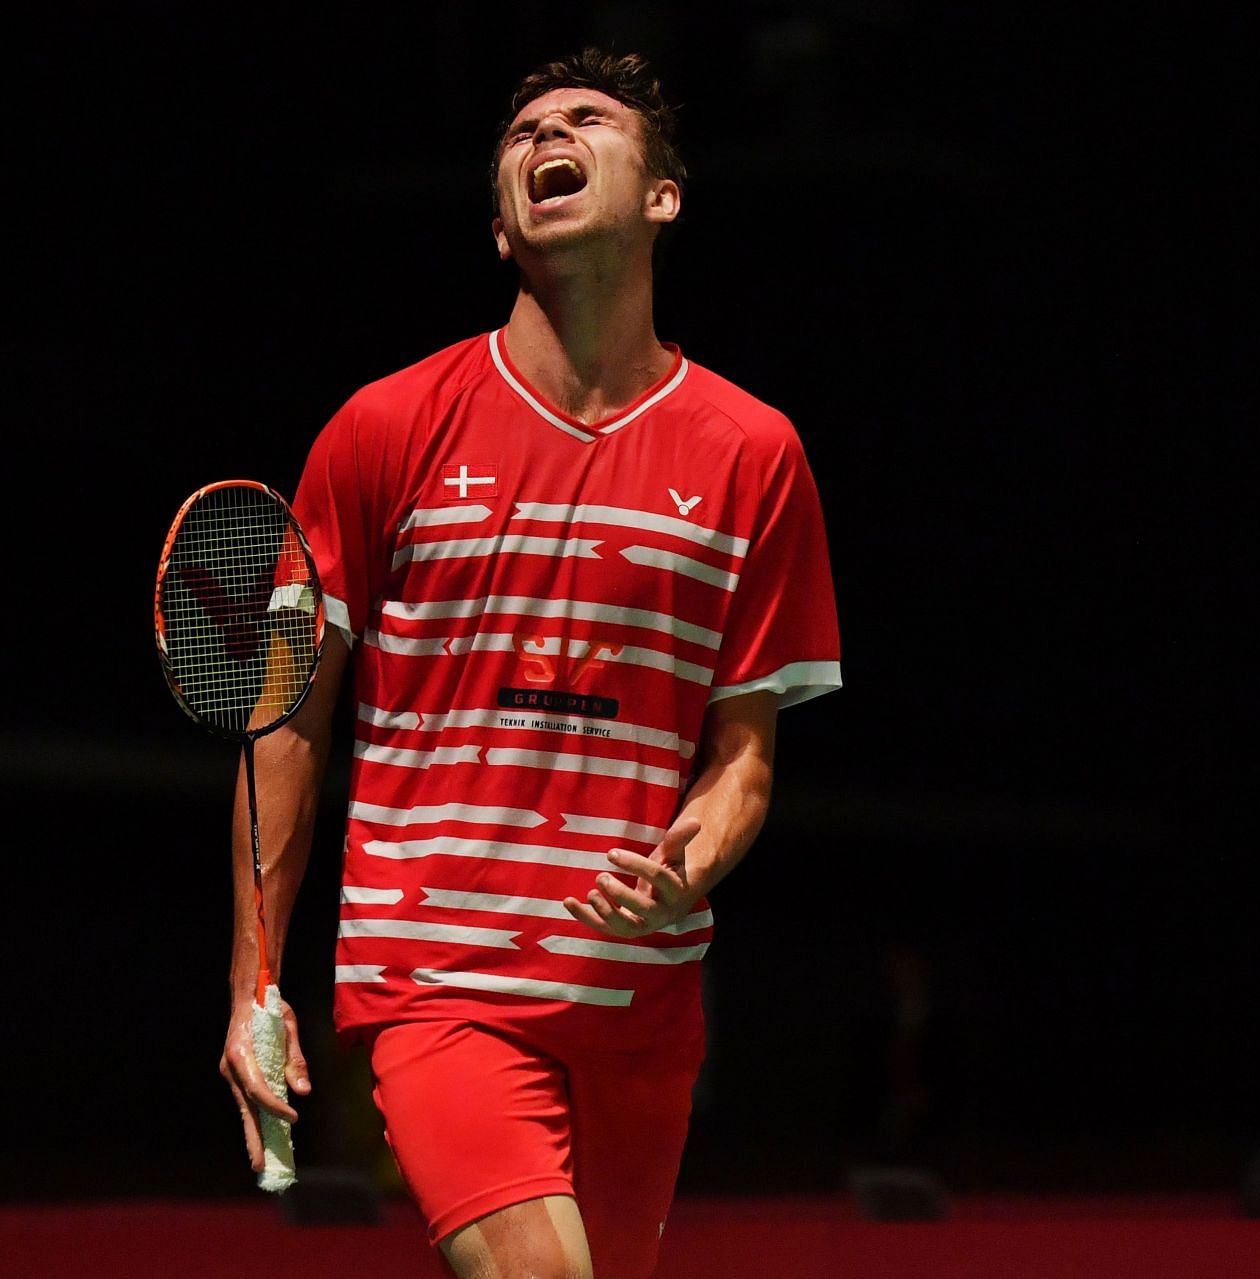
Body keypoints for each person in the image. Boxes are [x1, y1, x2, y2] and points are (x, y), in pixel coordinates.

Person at [217, 48, 841, 1279]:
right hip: (438, 977)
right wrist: (254, 983)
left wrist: (693, 861)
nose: (545, 134)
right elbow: (284, 718)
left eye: (586, 120)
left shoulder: (754, 455)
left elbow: (745, 753)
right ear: (502, 227)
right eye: (521, 134)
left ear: (663, 196)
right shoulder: (382, 428)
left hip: (638, 1003)